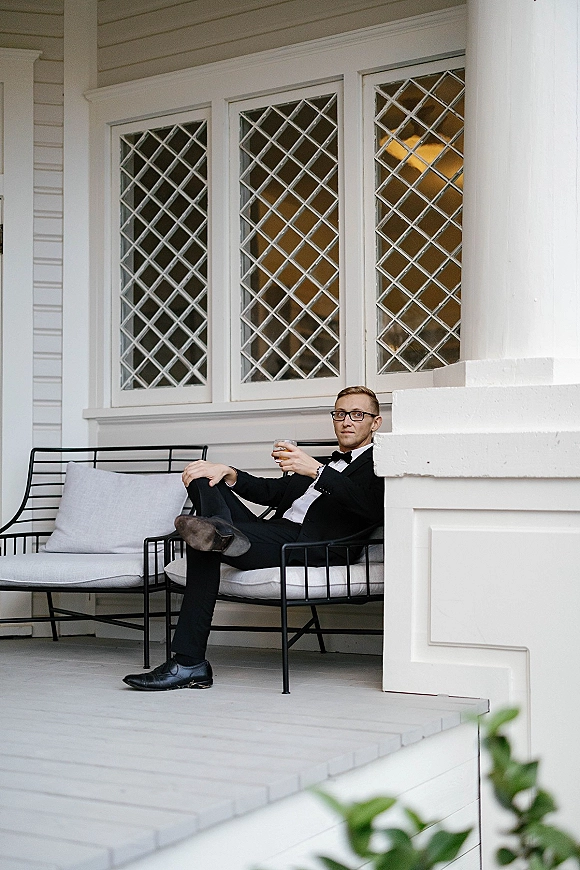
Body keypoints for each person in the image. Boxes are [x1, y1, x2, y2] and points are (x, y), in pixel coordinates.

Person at [123, 386, 383, 691]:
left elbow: (370, 508)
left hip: (308, 546)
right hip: (276, 531)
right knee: (203, 477)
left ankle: (189, 661)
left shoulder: (377, 464)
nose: (346, 421)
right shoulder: (327, 462)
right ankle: (219, 528)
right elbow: (271, 492)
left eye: (357, 414)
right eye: (340, 414)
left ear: (374, 423)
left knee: (203, 541)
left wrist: (317, 471)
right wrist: (229, 471)